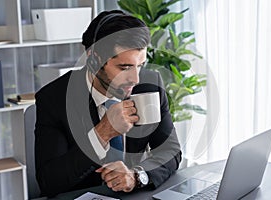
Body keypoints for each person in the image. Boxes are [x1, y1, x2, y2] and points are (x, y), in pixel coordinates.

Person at [34, 10, 181, 197]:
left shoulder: (149, 84)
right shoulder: (54, 99)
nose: (135, 79)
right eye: (124, 67)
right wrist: (103, 133)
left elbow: (170, 150)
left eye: (140, 65)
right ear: (94, 59)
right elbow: (50, 182)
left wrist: (136, 176)